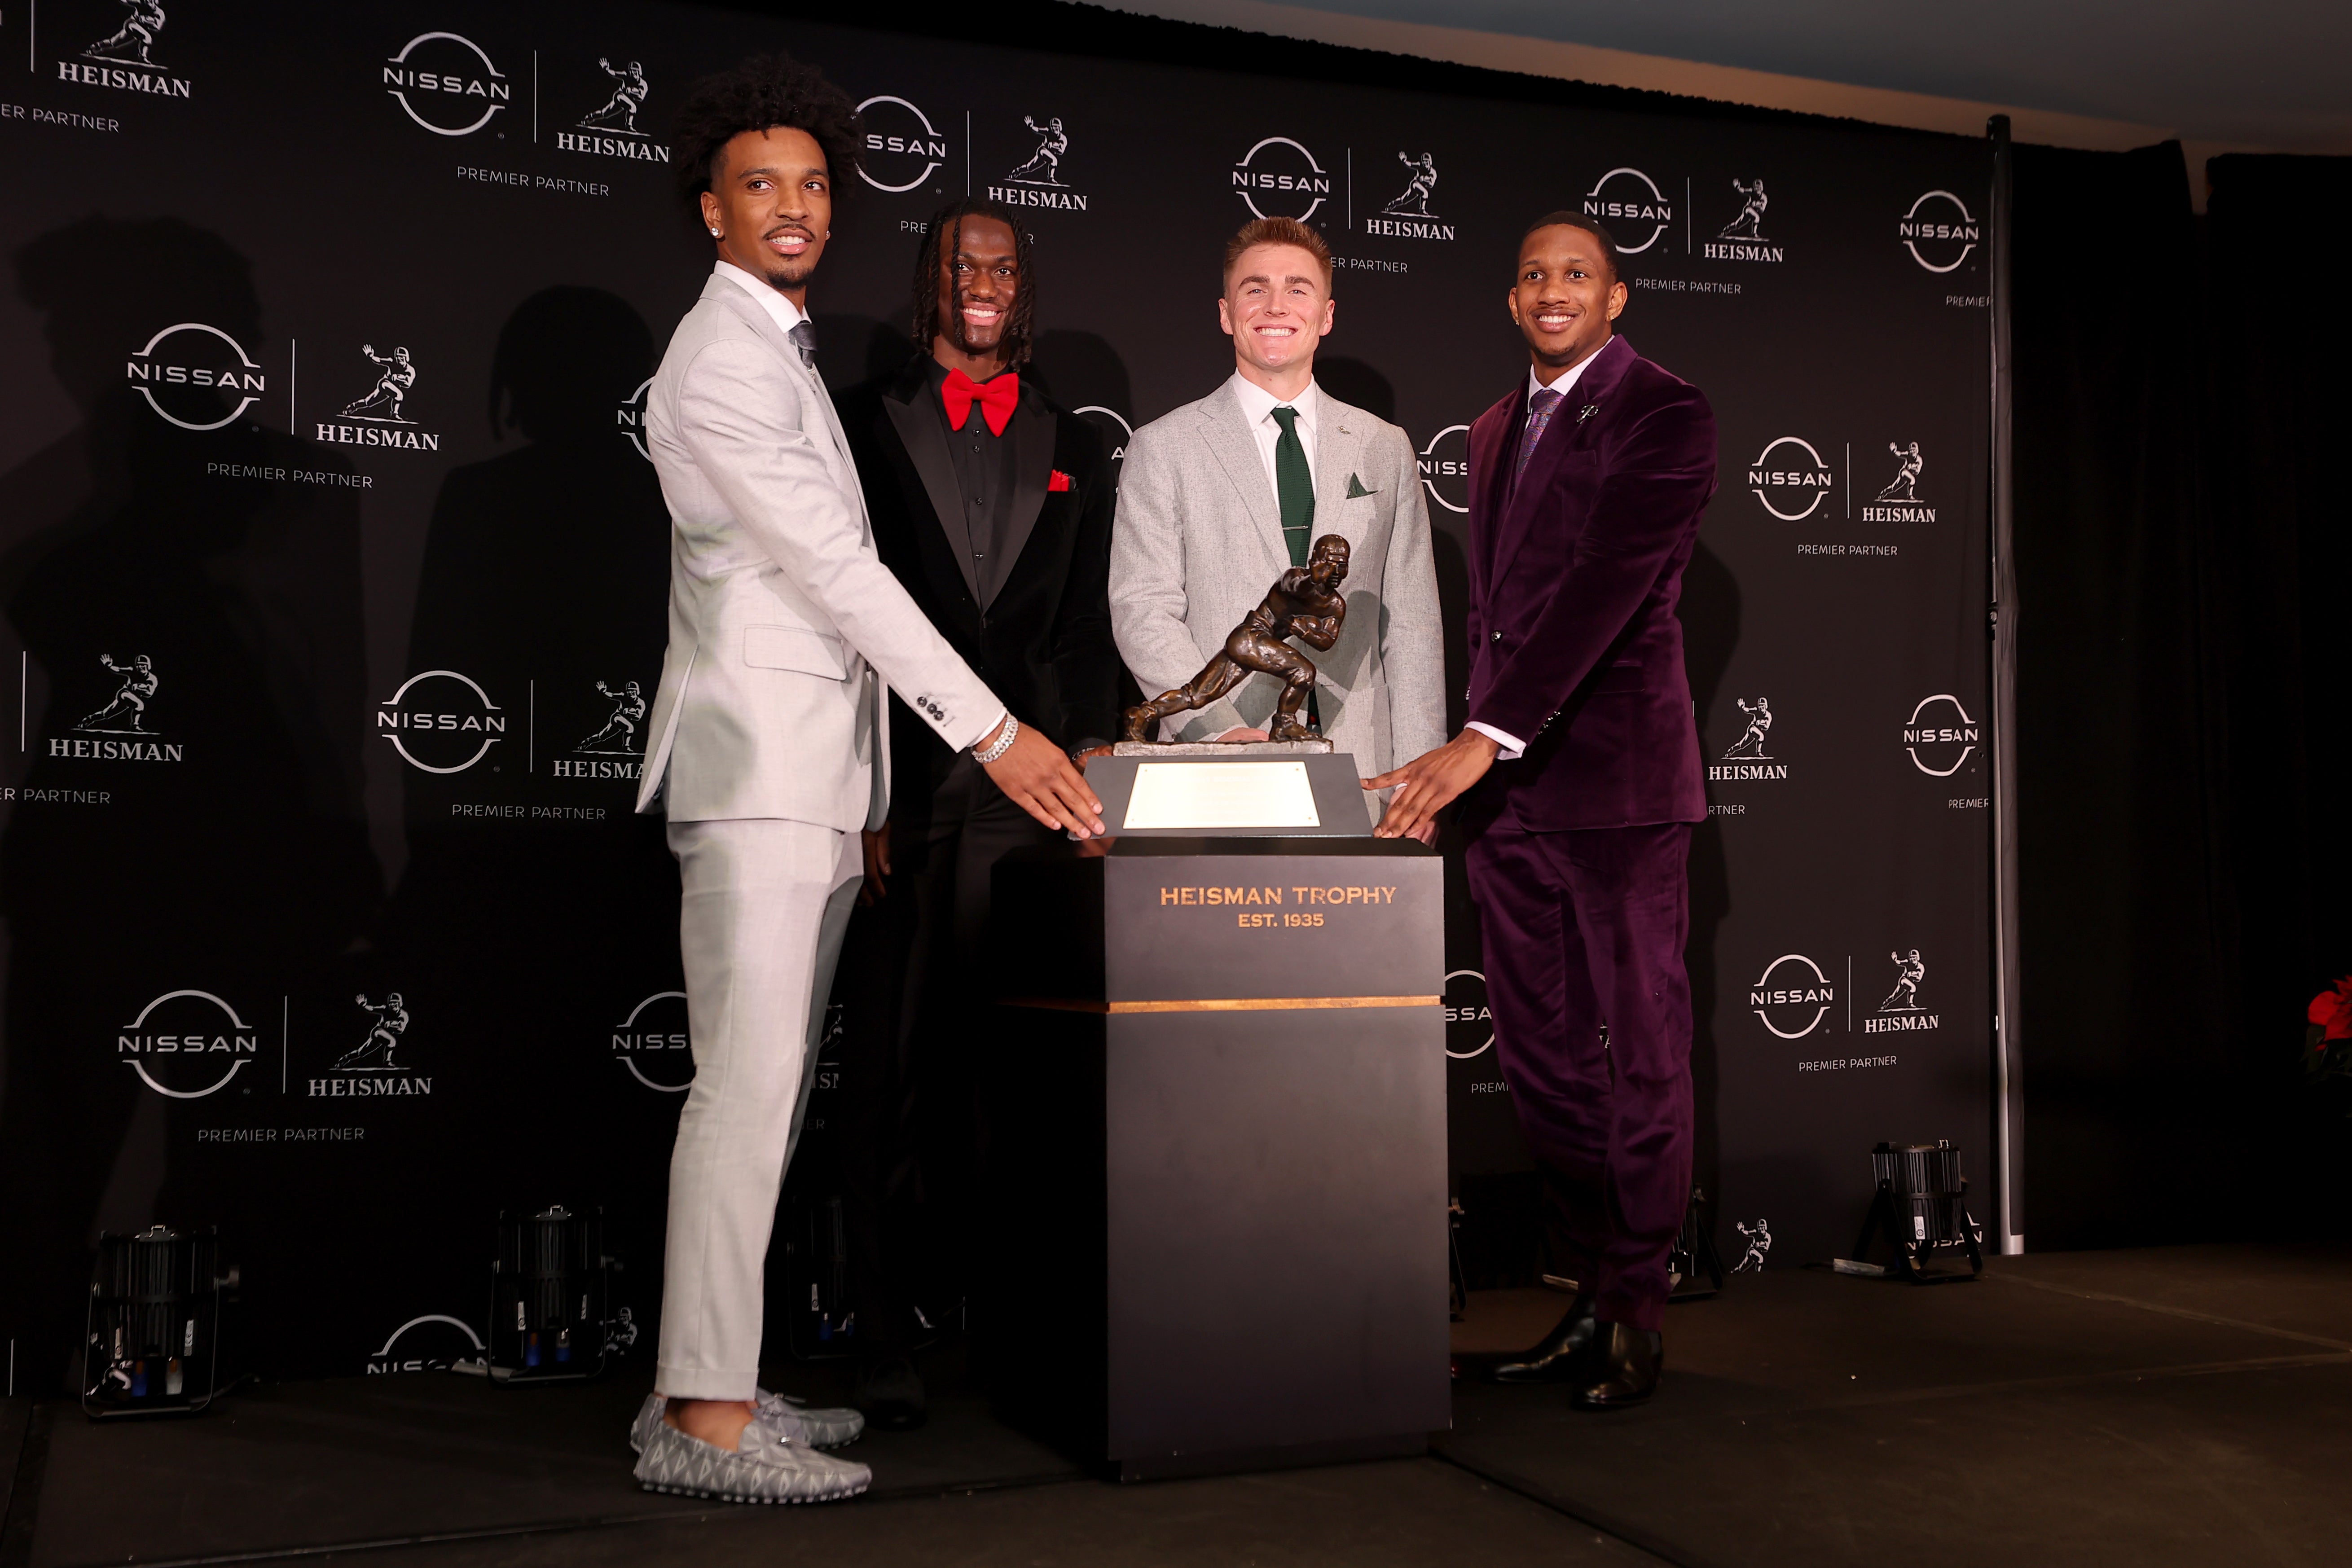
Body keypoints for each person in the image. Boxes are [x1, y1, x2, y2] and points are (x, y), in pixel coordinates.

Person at [627, 54, 1103, 1506]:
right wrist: (993, 733)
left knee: (767, 1099)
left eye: (811, 184)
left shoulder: (774, 348)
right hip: (761, 776)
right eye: (757, 185)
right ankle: (697, 1418)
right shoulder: (717, 363)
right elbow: (840, 575)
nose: (789, 207)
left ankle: (719, 1379)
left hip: (817, 783)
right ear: (708, 206)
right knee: (744, 1093)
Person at [1366, 215, 1718, 1408]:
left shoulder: (1664, 411)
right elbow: (1493, 616)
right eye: (1532, 275)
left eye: (1576, 273)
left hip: (1614, 791)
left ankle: (1635, 1307)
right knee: (1540, 1064)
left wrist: (1483, 735)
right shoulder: (1485, 428)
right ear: (1511, 300)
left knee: (1642, 1059)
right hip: (1507, 804)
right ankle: (1591, 1286)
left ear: (1614, 297)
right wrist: (1472, 753)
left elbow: (1602, 589)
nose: (1551, 290)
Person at [829, 197, 1120, 1427]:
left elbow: (1077, 628)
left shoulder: (1074, 438)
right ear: (926, 282)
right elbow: (834, 621)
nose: (984, 284)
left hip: (1032, 792)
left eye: (1003, 265)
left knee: (1021, 1068)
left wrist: (1088, 763)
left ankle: (1014, 1320)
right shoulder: (859, 423)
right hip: (904, 786)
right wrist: (860, 786)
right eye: (962, 264)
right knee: (893, 1065)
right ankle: (881, 1324)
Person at [1109, 217, 1443, 829]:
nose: (1274, 306)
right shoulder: (1164, 447)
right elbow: (1142, 608)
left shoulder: (1384, 446)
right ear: (1225, 312)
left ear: (1326, 314)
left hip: (1364, 771)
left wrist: (1418, 778)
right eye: (1254, 288)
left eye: (1297, 289)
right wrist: (1218, 733)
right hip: (1219, 768)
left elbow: (1412, 626)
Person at [1123, 534, 1349, 742]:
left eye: (1342, 565)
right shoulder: (1295, 578)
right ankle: (1284, 724)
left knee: (1197, 694)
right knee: (1303, 672)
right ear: (1314, 562)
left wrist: (1305, 631)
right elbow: (1296, 589)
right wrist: (1313, 581)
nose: (1336, 571)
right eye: (1330, 563)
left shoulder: (1336, 606)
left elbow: (1327, 641)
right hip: (1249, 637)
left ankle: (1143, 714)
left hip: (1252, 646)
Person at [77, 653, 157, 732]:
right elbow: (119, 670)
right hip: (124, 694)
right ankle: (135, 725)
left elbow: (149, 694)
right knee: (140, 705)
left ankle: (89, 719)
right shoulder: (132, 671)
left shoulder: (152, 679)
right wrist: (110, 666)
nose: (140, 667)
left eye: (143, 665)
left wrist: (139, 688)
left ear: (148, 666)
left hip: (130, 700)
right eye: (138, 665)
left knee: (106, 714)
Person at [339, 345, 413, 422]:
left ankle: (353, 407)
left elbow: (408, 384)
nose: (399, 359)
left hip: (392, 388)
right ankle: (394, 414)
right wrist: (371, 356)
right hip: (385, 383)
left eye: (402, 357)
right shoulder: (392, 362)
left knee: (368, 402)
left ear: (406, 358)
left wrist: (398, 378)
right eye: (398, 357)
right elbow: (380, 360)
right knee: (399, 395)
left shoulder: (410, 370)